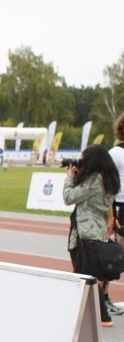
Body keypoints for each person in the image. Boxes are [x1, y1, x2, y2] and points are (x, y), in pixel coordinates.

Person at [63, 144, 120, 328]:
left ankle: (100, 316)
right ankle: (94, 315)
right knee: (86, 275)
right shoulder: (109, 180)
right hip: (95, 231)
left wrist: (70, 178)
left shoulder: (95, 181)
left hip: (85, 232)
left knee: (84, 276)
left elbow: (69, 197)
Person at [108, 113, 124, 315]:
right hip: (119, 206)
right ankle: (103, 295)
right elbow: (109, 185)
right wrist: (112, 215)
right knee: (112, 253)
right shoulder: (114, 154)